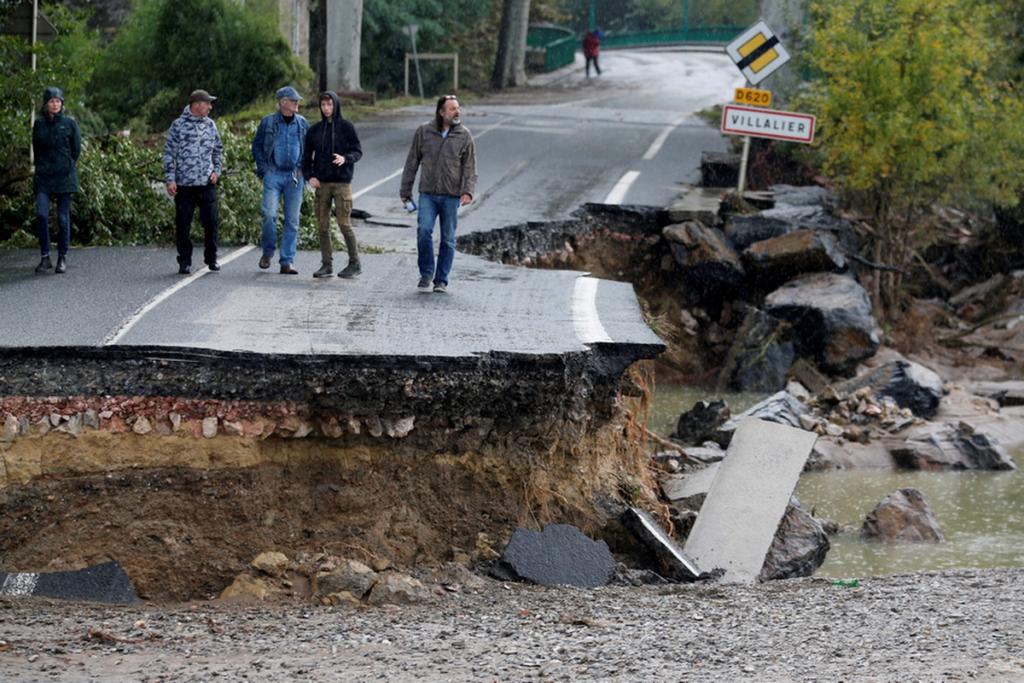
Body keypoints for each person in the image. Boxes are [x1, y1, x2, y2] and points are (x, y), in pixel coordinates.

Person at [399, 94, 477, 294]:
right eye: (452, 109)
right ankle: (426, 273)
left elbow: (469, 167)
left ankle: (441, 279)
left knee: (448, 238)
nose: (457, 112)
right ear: (441, 112)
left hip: (451, 195)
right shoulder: (424, 132)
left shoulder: (464, 136)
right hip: (428, 194)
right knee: (424, 231)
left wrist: (468, 191)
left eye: (458, 108)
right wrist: (405, 192)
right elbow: (411, 162)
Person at [301, 91, 363, 279]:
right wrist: (309, 176)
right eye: (323, 105)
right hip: (322, 184)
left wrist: (346, 158)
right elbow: (306, 158)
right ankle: (326, 264)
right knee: (322, 225)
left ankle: (355, 263)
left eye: (330, 105)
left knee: (344, 224)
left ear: (336, 105)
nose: (327, 109)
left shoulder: (346, 127)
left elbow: (358, 151)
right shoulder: (314, 131)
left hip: (342, 183)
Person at [162, 89, 223, 275]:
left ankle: (211, 258)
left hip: (206, 184)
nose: (210, 107)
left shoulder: (211, 125)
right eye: (207, 103)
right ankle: (184, 261)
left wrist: (217, 171)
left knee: (211, 222)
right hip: (184, 185)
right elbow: (168, 154)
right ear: (196, 105)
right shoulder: (178, 126)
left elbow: (218, 150)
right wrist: (170, 179)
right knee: (183, 225)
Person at [252, 86, 309, 274]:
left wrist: (303, 169)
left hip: (295, 175)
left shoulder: (302, 123)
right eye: (293, 101)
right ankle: (268, 252)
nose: (297, 103)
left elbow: (309, 149)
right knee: (269, 213)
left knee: (292, 220)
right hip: (273, 174)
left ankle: (287, 261)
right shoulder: (267, 122)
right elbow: (257, 147)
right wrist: (264, 170)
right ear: (283, 102)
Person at [32, 87, 81, 275]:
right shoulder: (39, 124)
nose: (55, 104)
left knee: (62, 218)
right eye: (52, 101)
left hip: (64, 176)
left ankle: (62, 256)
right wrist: (41, 168)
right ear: (46, 104)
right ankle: (45, 257)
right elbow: (36, 149)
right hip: (44, 177)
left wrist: (66, 165)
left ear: (62, 104)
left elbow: (76, 150)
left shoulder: (69, 124)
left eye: (58, 101)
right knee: (42, 215)